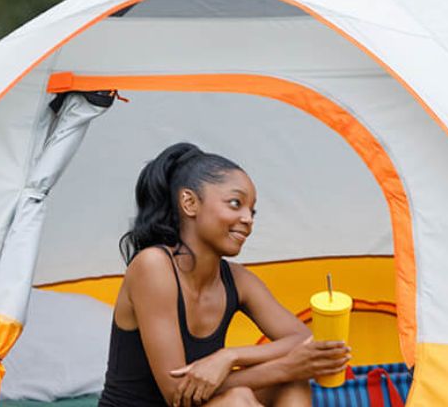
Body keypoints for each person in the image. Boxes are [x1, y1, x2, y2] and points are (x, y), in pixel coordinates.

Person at [100, 142, 350, 407]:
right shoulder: (153, 266)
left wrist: (230, 357)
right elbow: (177, 394)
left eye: (252, 211)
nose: (248, 219)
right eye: (235, 203)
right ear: (190, 203)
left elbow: (301, 338)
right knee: (239, 400)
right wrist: (285, 367)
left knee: (288, 383)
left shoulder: (238, 280)